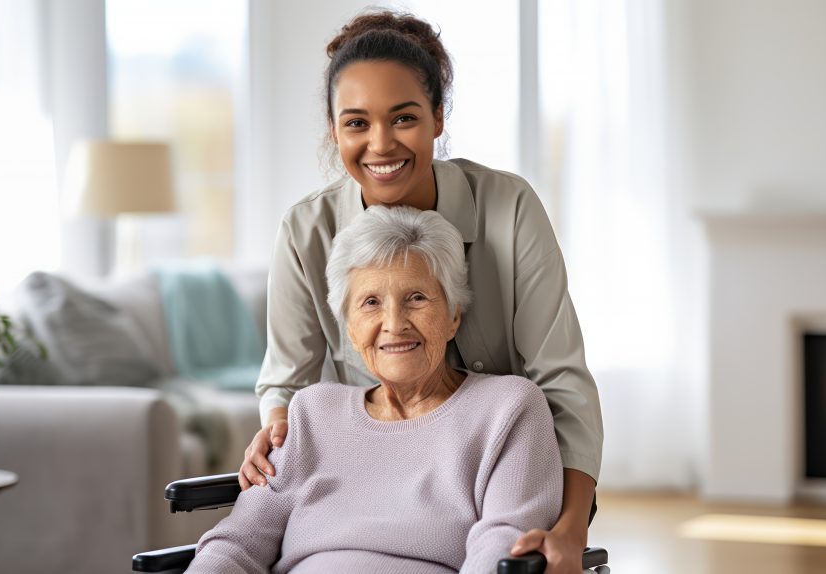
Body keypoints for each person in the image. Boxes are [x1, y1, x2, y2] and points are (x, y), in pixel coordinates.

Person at [241, 10, 603, 572]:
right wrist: (277, 429)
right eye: (356, 123)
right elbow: (285, 382)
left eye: (403, 117)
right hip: (366, 494)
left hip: (494, 478)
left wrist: (571, 530)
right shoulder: (305, 231)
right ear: (334, 131)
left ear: (438, 117)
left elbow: (561, 379)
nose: (380, 144)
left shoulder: (508, 209)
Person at [189, 206, 563, 573]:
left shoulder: (508, 409)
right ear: (350, 330)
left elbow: (502, 546)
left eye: (416, 298)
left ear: (453, 316)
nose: (394, 324)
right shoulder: (311, 412)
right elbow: (238, 543)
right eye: (371, 303)